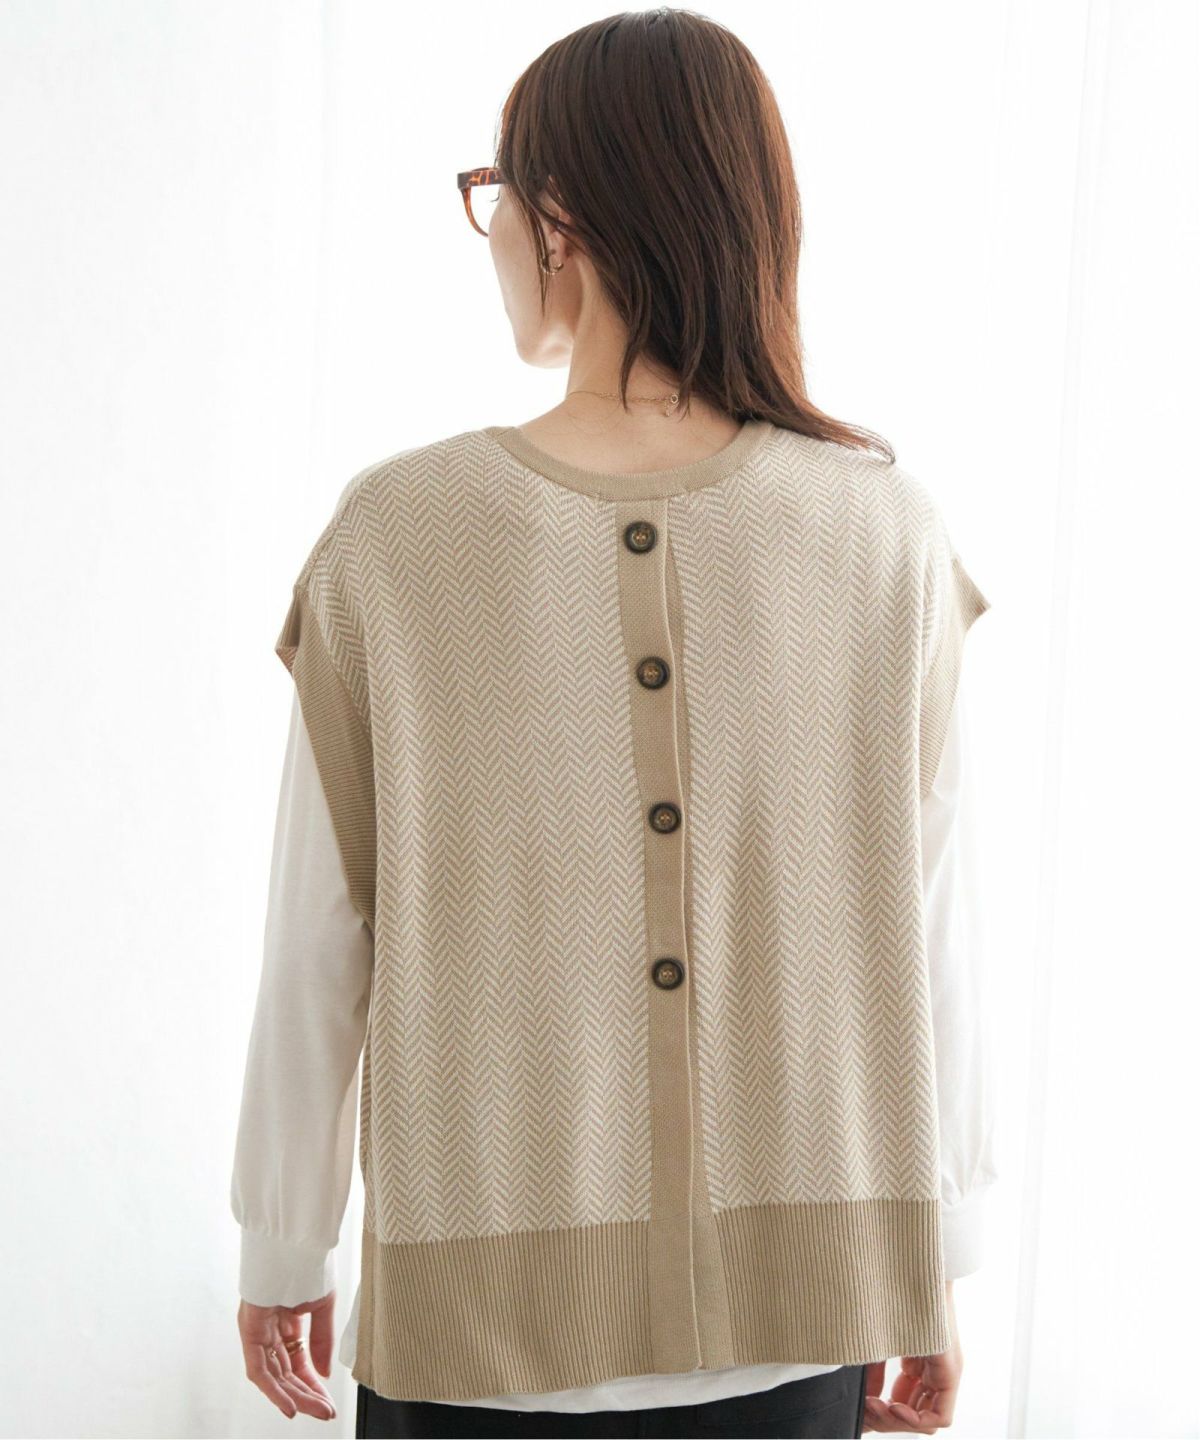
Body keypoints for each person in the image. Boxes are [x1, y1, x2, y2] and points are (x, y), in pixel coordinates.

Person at [230, 9, 997, 1438]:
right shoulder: (886, 533)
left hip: (479, 1328)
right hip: (807, 1316)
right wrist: (935, 1261)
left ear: (563, 217)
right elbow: (932, 929)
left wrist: (285, 1240)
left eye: (495, 195)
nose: (495, 236)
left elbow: (320, 928)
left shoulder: (398, 534)